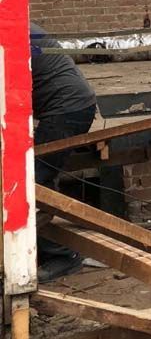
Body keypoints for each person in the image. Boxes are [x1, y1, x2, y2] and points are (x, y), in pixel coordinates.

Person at [31, 22, 98, 282]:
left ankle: (63, 255)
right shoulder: (15, 23)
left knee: (34, 182)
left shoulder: (12, 31)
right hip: (70, 105)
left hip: (67, 109)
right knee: (36, 178)